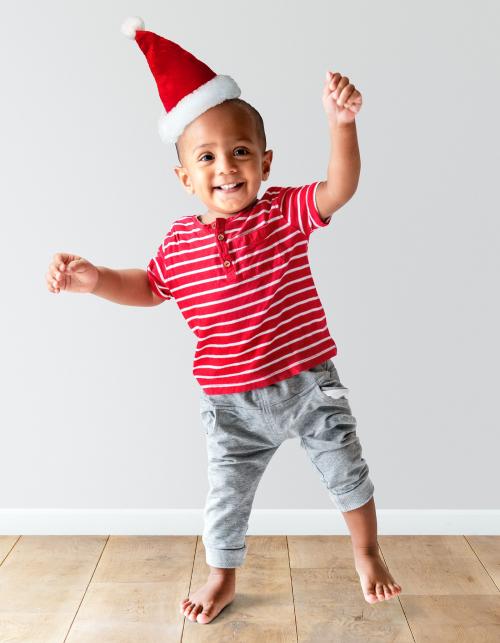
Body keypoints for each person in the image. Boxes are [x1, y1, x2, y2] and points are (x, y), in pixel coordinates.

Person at [45, 17, 401, 626]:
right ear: (185, 177)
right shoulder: (180, 243)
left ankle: (366, 553)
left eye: (240, 152)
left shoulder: (282, 212)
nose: (226, 167)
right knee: (225, 499)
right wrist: (95, 278)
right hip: (230, 400)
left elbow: (338, 189)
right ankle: (222, 575)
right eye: (206, 156)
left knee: (347, 468)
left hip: (306, 380)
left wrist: (342, 125)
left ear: (265, 161)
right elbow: (150, 288)